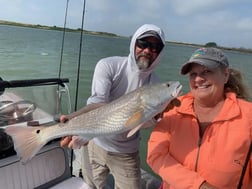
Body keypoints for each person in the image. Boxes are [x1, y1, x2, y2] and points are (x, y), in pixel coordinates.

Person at [61, 24, 166, 189]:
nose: (147, 50)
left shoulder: (157, 85)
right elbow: (97, 103)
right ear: (134, 43)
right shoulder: (109, 65)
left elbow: (141, 124)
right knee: (91, 185)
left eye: (154, 47)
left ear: (160, 53)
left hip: (127, 153)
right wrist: (73, 121)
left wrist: (156, 117)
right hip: (95, 143)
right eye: (143, 43)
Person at [147, 47, 252, 189]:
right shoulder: (173, 108)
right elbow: (156, 155)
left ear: (226, 75)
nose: (198, 79)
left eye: (207, 71)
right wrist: (200, 186)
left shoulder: (248, 116)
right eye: (193, 74)